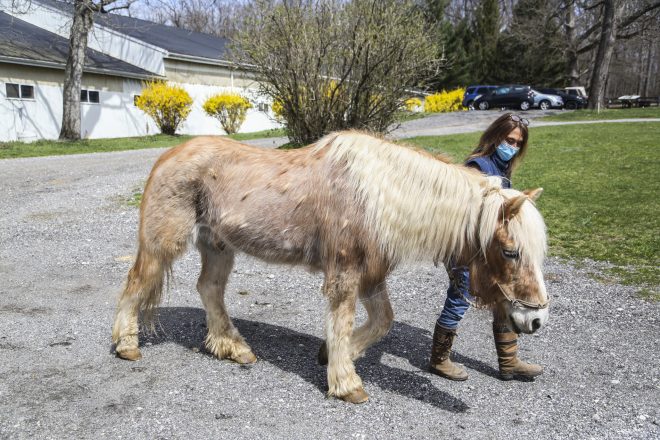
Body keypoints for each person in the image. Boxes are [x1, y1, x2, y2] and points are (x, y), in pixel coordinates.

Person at [429, 112, 543, 381]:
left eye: (517, 143)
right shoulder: (477, 167)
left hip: (490, 251)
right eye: (509, 140)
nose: (512, 147)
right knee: (458, 300)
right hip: (467, 250)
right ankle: (438, 359)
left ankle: (509, 361)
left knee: (504, 298)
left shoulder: (501, 169)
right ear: (496, 137)